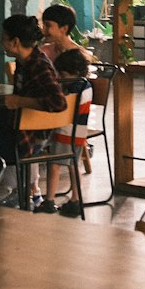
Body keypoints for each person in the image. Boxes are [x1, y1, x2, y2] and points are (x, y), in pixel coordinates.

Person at [0, 13, 66, 211]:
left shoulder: (39, 65)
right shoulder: (25, 61)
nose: (1, 42)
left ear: (16, 41)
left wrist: (21, 100)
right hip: (17, 126)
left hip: (27, 139)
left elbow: (58, 102)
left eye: (4, 38)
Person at [46, 47, 93, 218]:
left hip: (66, 130)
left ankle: (49, 200)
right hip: (79, 133)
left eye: (63, 76)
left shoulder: (73, 89)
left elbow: (62, 107)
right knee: (74, 165)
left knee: (54, 164)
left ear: (73, 73)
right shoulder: (86, 85)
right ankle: (76, 199)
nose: (60, 79)